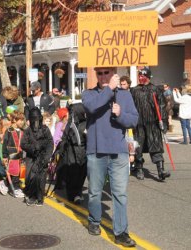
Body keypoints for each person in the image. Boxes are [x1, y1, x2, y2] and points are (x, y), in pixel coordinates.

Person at [82, 67, 138, 247]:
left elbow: (133, 120)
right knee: (94, 192)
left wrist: (120, 114)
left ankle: (121, 232)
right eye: (100, 73)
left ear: (113, 72)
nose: (103, 76)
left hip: (118, 151)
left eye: (107, 72)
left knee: (120, 194)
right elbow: (91, 107)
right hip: (96, 151)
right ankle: (94, 220)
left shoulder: (125, 95)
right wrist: (109, 89)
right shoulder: (89, 94)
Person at [130, 67, 171, 181]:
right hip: (138, 124)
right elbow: (130, 106)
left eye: (143, 76)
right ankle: (139, 169)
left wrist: (164, 122)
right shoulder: (134, 90)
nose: (141, 78)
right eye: (140, 76)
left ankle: (161, 170)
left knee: (156, 145)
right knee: (138, 147)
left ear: (148, 76)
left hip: (153, 124)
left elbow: (162, 107)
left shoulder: (155, 89)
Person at [53, 103, 87, 204]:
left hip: (84, 151)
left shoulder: (86, 123)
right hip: (71, 151)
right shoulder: (71, 124)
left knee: (82, 173)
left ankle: (78, 192)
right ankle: (73, 194)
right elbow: (64, 137)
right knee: (73, 173)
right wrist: (60, 150)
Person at [21, 107, 54, 206]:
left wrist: (47, 157)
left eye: (37, 119)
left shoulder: (45, 129)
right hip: (31, 157)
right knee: (30, 177)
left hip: (42, 157)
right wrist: (32, 148)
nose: (35, 122)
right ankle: (31, 196)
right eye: (33, 120)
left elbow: (50, 143)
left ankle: (39, 198)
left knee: (41, 178)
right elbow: (23, 144)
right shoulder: (28, 131)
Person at [1, 111, 26, 198]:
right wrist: (4, 156)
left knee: (17, 172)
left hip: (20, 155)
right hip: (11, 155)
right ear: (14, 120)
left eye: (23, 120)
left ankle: (7, 185)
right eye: (20, 120)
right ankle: (14, 188)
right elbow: (5, 144)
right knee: (14, 172)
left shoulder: (23, 131)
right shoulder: (9, 131)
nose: (22, 122)